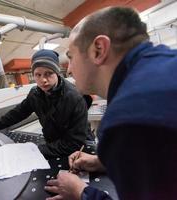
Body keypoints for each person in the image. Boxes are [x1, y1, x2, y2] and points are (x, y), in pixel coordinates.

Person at [45, 6, 177, 200]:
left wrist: (81, 192)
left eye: (71, 58)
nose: (70, 70)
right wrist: (104, 161)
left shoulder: (128, 119)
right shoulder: (165, 65)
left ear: (98, 49)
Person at [0, 49, 89, 158]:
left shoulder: (75, 97)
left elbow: (74, 143)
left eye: (49, 73)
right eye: (38, 75)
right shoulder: (35, 94)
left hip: (78, 151)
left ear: (57, 73)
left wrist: (35, 151)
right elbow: (17, 113)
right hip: (52, 145)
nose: (43, 80)